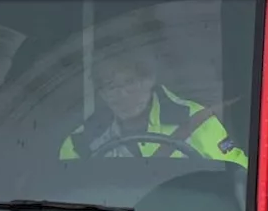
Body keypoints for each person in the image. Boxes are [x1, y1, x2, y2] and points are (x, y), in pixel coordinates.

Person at [59, 45, 248, 168]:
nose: (123, 94)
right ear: (101, 94)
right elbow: (66, 199)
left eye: (130, 82)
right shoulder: (81, 142)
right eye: (111, 86)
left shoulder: (196, 120)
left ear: (149, 80)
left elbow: (236, 176)